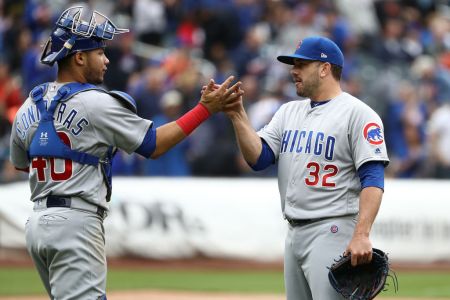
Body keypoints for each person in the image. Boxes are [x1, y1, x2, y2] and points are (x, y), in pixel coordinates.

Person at [9, 6, 241, 300]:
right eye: (99, 52)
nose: (107, 60)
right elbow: (154, 144)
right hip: (76, 223)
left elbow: (20, 164)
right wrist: (204, 109)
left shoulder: (30, 104)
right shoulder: (96, 102)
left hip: (37, 224)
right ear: (79, 57)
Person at [223, 36, 389, 299]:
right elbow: (259, 158)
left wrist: (362, 234)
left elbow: (373, 178)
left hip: (333, 230)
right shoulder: (288, 112)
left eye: (301, 64)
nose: (293, 71)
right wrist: (237, 115)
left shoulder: (359, 114)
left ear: (324, 69)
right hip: (293, 233)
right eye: (293, 65)